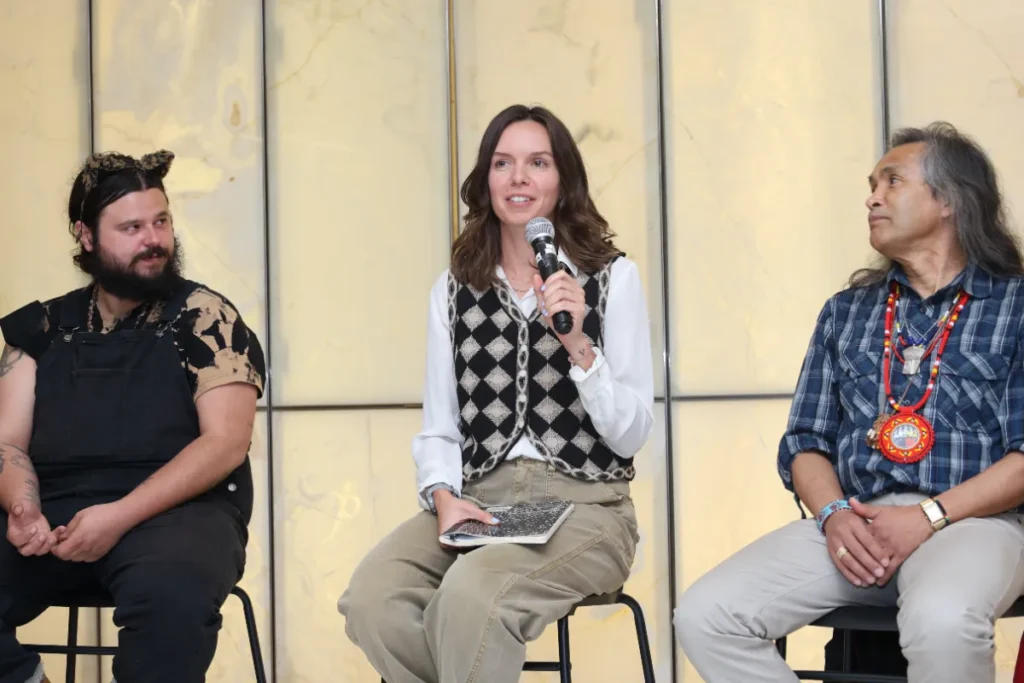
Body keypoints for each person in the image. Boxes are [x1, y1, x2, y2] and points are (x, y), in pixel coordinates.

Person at [674, 121, 1024, 682]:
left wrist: (927, 516)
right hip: (854, 522)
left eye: (892, 181)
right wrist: (834, 515)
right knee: (707, 614)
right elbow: (804, 443)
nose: (872, 196)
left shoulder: (1016, 306)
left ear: (948, 202)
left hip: (975, 522)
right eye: (872, 183)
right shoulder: (847, 311)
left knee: (941, 619)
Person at [338, 104, 654, 683]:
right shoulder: (454, 290)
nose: (520, 178)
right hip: (483, 502)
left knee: (473, 594)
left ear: (564, 181)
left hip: (590, 509)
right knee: (372, 598)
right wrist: (442, 496)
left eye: (538, 163)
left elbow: (632, 432)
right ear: (486, 180)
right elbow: (440, 425)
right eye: (503, 163)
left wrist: (581, 344)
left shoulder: (613, 278)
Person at [0, 151, 265, 683]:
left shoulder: (207, 318)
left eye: (161, 221)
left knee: (173, 598)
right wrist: (23, 507)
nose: (154, 240)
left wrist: (117, 517)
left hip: (179, 513)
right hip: (57, 514)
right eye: (132, 227)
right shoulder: (44, 326)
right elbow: (7, 444)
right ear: (86, 235)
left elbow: (226, 444)